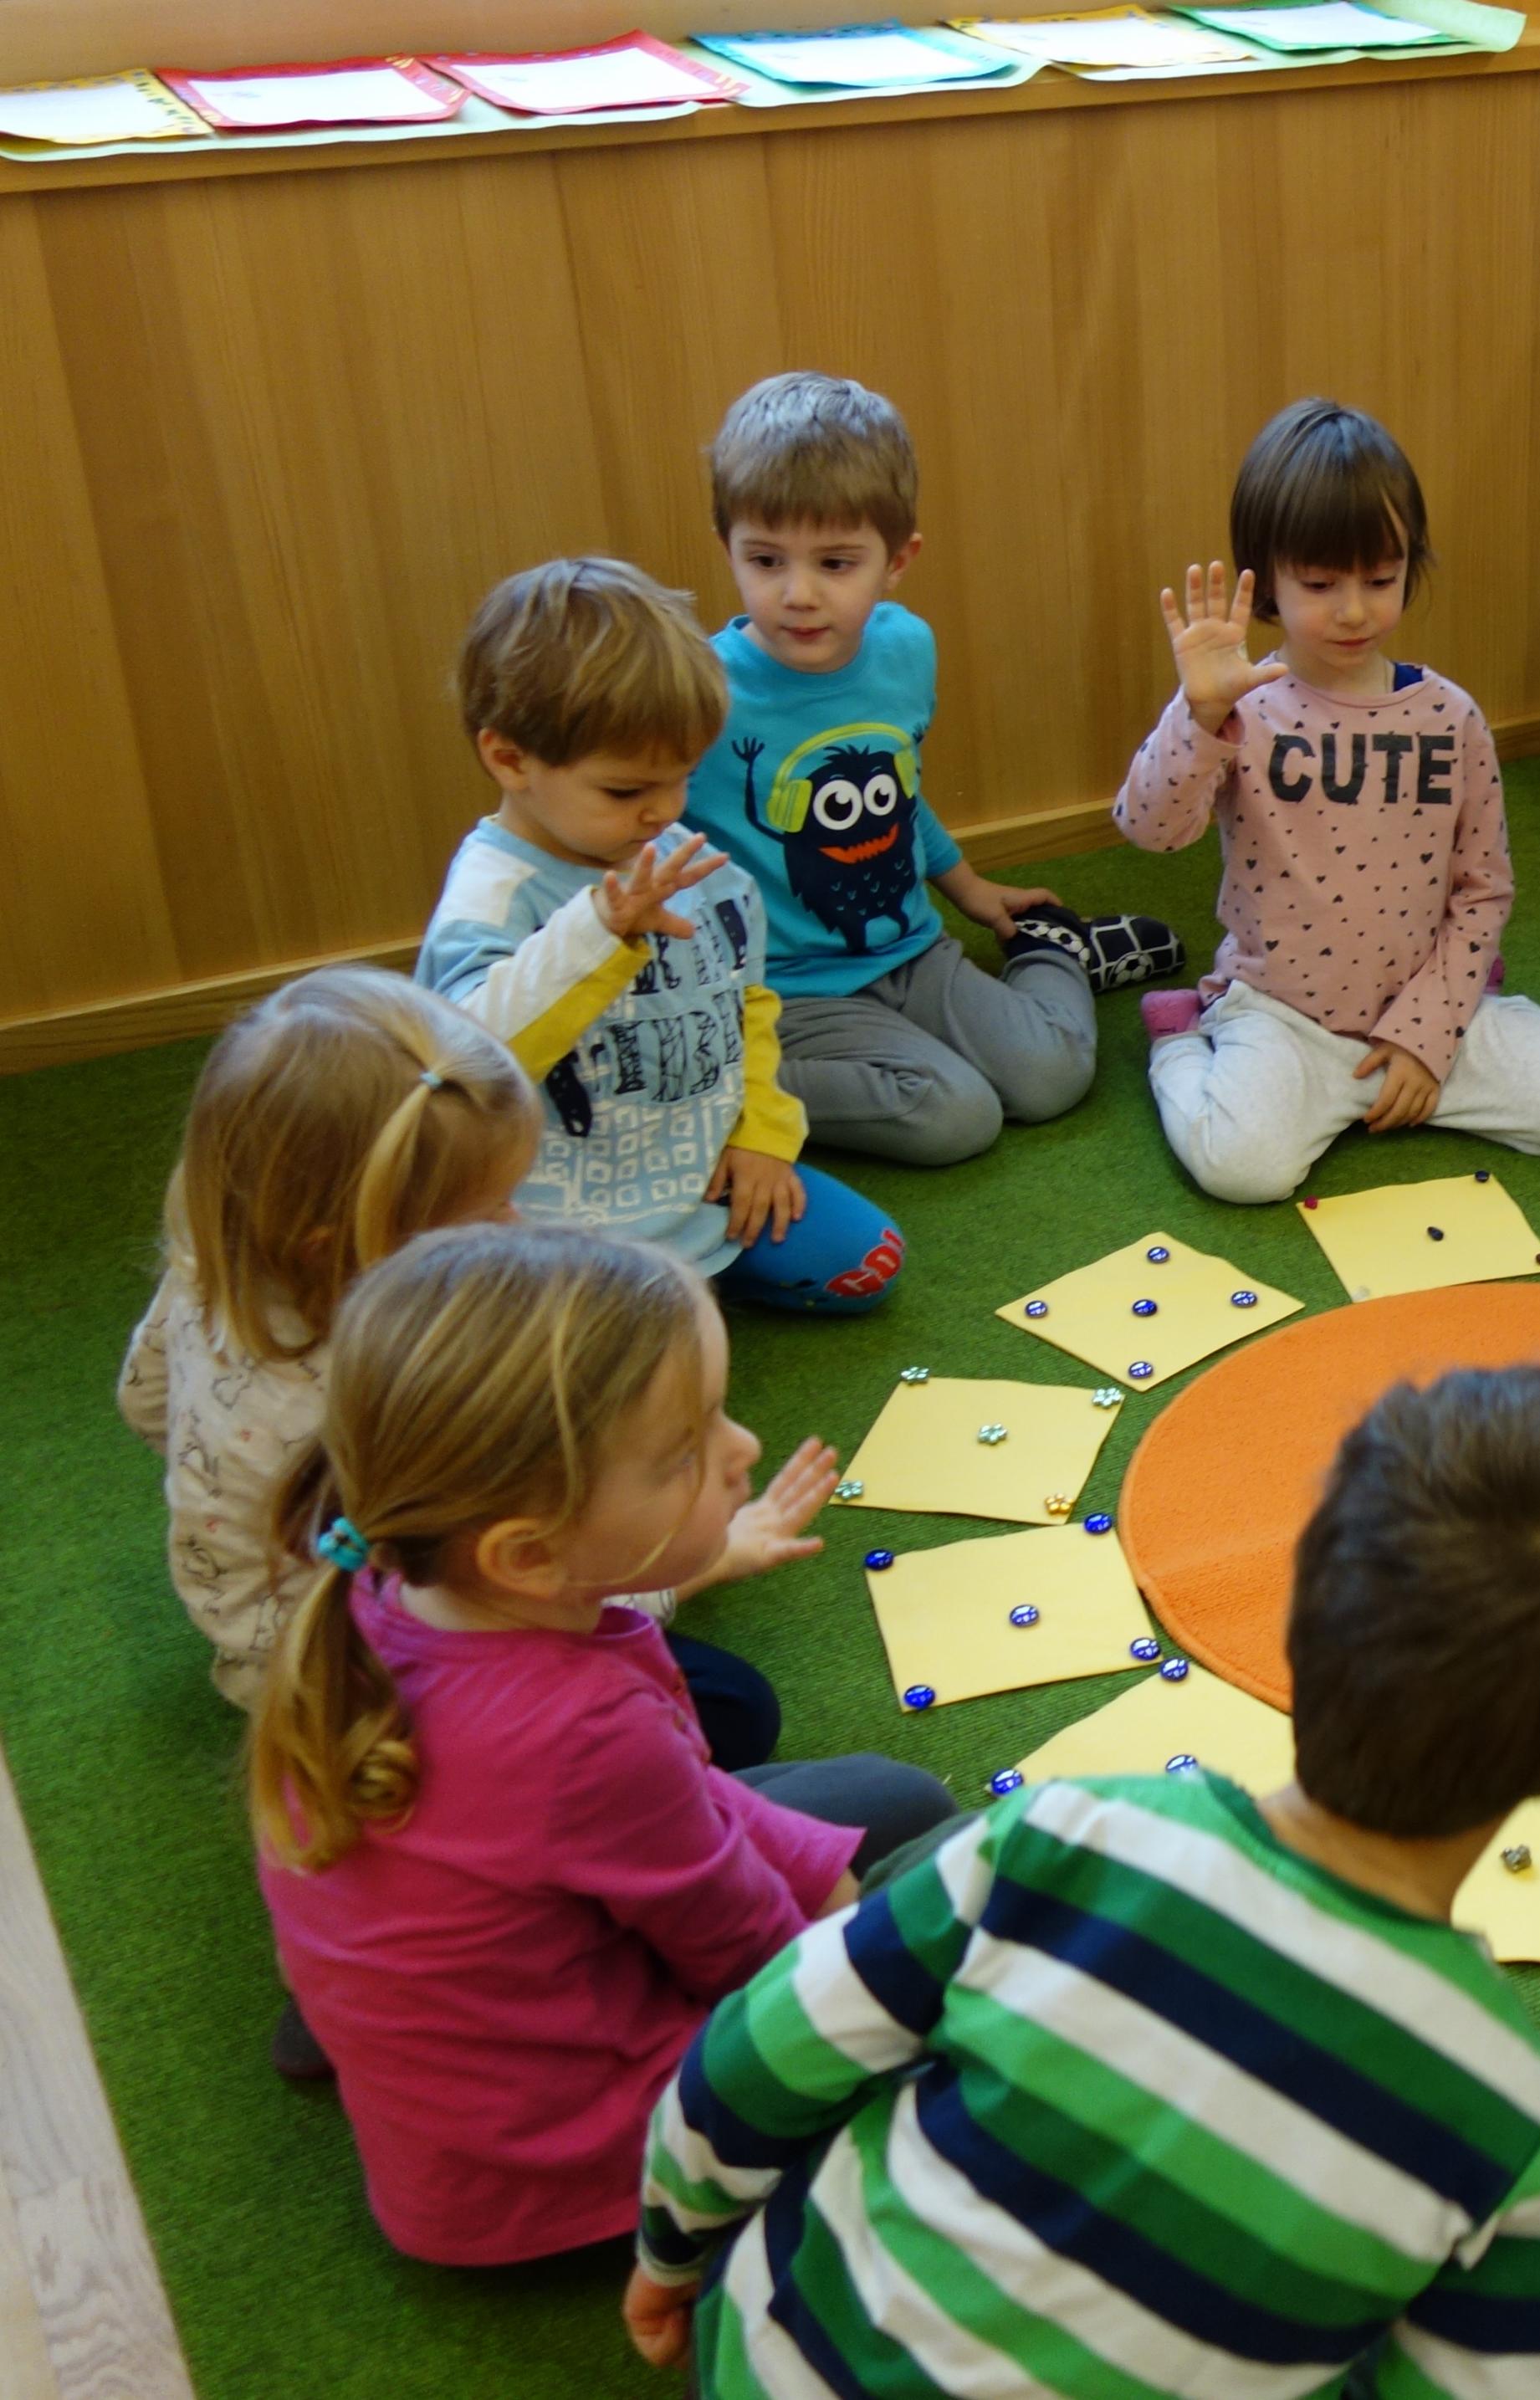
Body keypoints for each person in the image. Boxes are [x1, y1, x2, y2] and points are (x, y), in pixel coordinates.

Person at [627, 1364, 1540, 2397]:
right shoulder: (1508, 2117)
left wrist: (671, 2253)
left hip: (764, 2365)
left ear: (1292, 1624)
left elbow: (751, 2059)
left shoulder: (1063, 1833)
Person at [252, 1222, 955, 2264]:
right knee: (954, 1909)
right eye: (685, 1451)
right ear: (528, 1554)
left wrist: (812, 1870)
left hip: (486, 2103)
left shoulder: (388, 1588)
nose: (743, 1451)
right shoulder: (577, 1730)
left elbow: (693, 1796)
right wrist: (847, 1952)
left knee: (887, 1800)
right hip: (576, 2175)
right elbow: (744, 1951)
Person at [116, 969, 827, 1770]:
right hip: (359, 1683)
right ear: (343, 1243)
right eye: (486, 1213)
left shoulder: (212, 1266)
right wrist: (712, 1556)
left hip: (254, 1613)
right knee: (729, 1707)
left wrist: (224, 1501)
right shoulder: (404, 1389)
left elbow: (144, 1402)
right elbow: (501, 1577)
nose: (516, 1223)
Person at [1115, 400, 1540, 1202]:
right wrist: (1199, 715)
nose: (1354, 609)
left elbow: (1483, 888)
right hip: (1285, 1018)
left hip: (1427, 1001)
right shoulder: (1241, 710)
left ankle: (1454, 1011)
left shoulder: (1451, 716)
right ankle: (1179, 1037)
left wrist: (1429, 1030)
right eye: (1320, 583)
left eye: (1381, 579)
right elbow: (1150, 829)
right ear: (1266, 578)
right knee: (1244, 1171)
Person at [689, 371, 1178, 1167]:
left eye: (836, 563)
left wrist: (968, 888)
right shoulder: (698, 693)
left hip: (912, 951)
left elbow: (898, 795)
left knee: (1052, 1076)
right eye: (766, 559)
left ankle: (1058, 952)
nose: (798, 593)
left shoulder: (905, 649)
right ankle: (718, 1090)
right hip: (785, 992)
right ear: (727, 548)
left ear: (897, 560)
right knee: (956, 1116)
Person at [417, 555, 908, 1313]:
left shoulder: (692, 864)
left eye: (682, 777)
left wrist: (762, 1135)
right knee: (589, 1356)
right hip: (552, 1224)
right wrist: (599, 931)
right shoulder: (492, 895)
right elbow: (472, 1061)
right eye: (626, 790)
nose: (664, 810)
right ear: (509, 758)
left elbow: (747, 1011)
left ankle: (691, 1270)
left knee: (866, 1261)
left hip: (692, 1181)